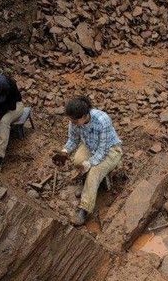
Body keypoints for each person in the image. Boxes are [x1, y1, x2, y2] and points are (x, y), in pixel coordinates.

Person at [53, 96, 123, 226]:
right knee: (77, 161)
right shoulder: (74, 120)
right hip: (90, 146)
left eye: (75, 120)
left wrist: (89, 163)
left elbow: (102, 151)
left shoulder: (102, 120)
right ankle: (87, 184)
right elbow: (73, 139)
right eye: (71, 120)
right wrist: (65, 152)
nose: (72, 122)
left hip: (110, 150)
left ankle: (84, 208)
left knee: (94, 172)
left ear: (85, 116)